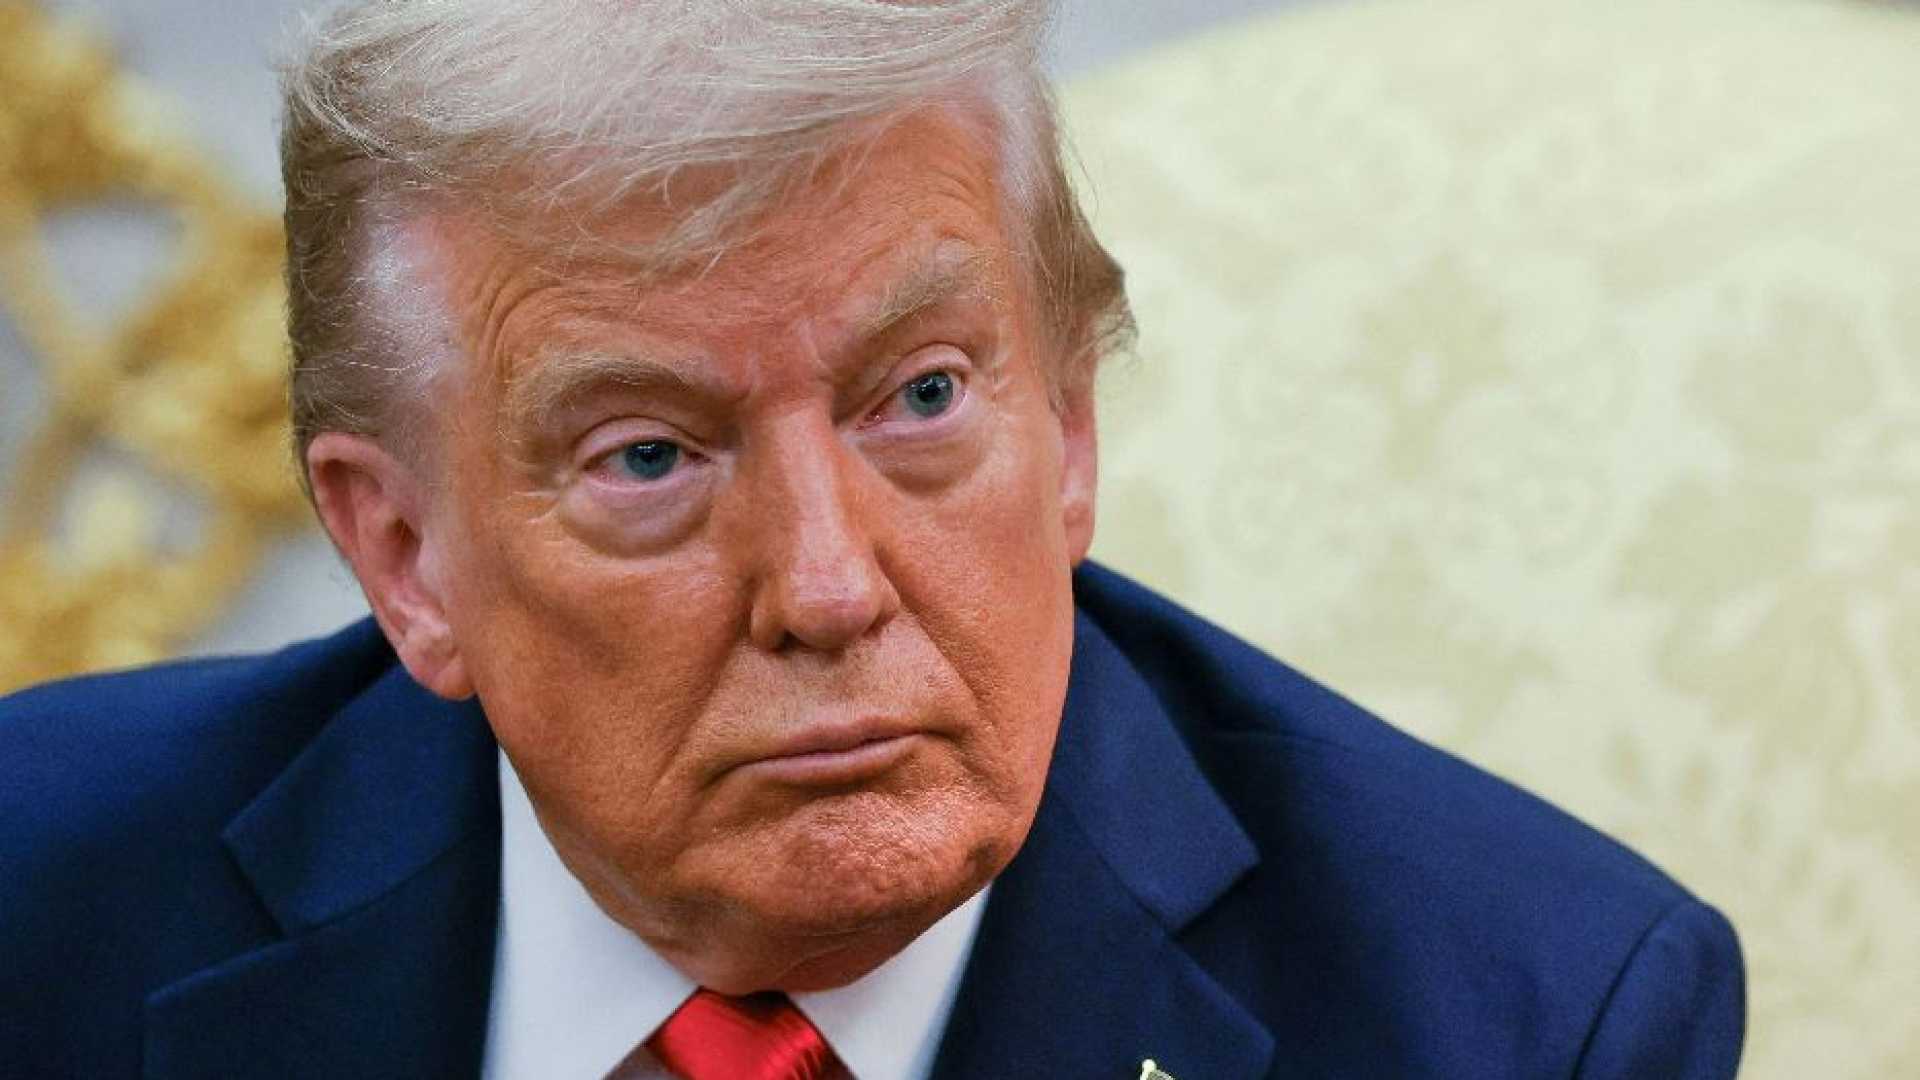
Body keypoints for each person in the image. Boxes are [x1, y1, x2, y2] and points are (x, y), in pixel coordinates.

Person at [0, 1, 1744, 1076]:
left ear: (1069, 427)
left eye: (920, 398)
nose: (829, 588)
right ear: (403, 555)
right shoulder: (41, 900)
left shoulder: (1524, 1016)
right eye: (647, 456)